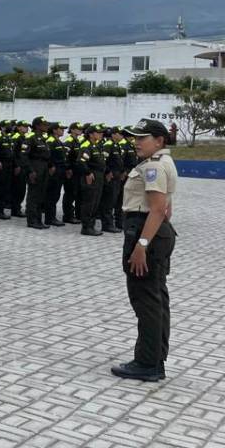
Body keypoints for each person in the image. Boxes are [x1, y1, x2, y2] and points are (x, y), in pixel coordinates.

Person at [111, 119, 178, 382]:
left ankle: (147, 363)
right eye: (135, 138)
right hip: (155, 231)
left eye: (143, 138)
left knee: (145, 300)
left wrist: (142, 245)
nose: (136, 142)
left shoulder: (153, 167)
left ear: (159, 141)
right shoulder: (163, 163)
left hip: (144, 231)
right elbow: (166, 208)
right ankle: (155, 356)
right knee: (156, 298)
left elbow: (158, 209)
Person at [75, 125, 108, 236]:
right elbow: (81, 162)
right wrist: (88, 173)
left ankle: (91, 226)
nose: (101, 134)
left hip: (98, 176)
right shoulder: (86, 145)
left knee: (95, 202)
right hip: (91, 176)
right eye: (98, 132)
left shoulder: (97, 145)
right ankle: (86, 227)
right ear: (91, 134)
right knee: (89, 202)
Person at [21, 116, 52, 230]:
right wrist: (30, 171)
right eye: (44, 124)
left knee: (41, 195)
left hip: (43, 168)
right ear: (37, 126)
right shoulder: (30, 137)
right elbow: (24, 155)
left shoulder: (42, 138)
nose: (46, 126)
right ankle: (32, 220)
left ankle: (38, 219)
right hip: (34, 168)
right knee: (33, 195)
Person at [61, 122, 83, 224]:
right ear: (73, 129)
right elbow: (65, 157)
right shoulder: (69, 141)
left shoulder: (77, 141)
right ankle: (68, 215)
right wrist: (68, 168)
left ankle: (73, 214)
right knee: (69, 194)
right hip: (70, 172)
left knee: (75, 193)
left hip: (76, 171)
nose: (80, 130)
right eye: (78, 129)